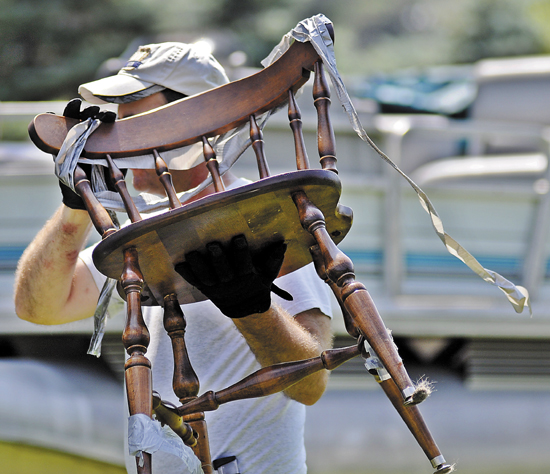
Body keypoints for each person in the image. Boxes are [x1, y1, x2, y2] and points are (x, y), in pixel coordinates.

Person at [14, 41, 333, 474]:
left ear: (195, 120)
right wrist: (75, 207)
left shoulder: (270, 216)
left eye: (135, 120)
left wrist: (252, 309)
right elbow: (39, 309)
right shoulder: (142, 231)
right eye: (118, 124)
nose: (117, 139)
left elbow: (312, 386)